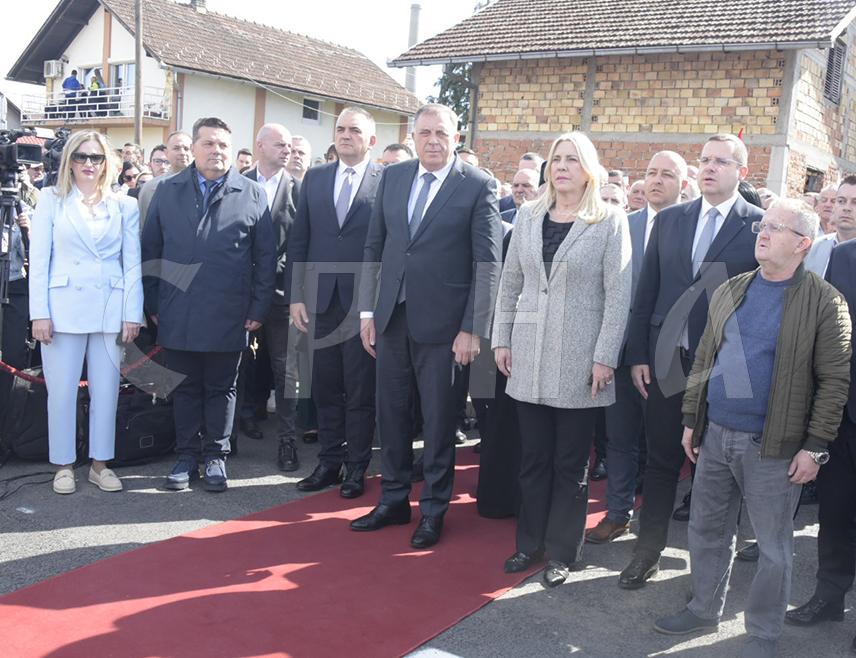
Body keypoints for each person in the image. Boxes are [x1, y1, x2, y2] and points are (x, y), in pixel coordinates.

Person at [655, 198, 850, 658]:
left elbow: (834, 382)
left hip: (775, 445)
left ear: (803, 243)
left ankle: (761, 634)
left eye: (777, 228)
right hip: (717, 433)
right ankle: (704, 607)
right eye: (764, 225)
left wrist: (816, 447)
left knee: (774, 548)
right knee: (706, 530)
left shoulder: (825, 302)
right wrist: (691, 419)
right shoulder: (733, 289)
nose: (763, 232)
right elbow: (705, 357)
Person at [352, 103, 502, 548]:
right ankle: (393, 500)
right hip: (392, 319)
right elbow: (375, 246)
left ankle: (433, 510)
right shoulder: (393, 178)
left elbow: (488, 261)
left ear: (456, 136)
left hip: (447, 328)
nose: (433, 140)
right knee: (392, 416)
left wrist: (472, 327)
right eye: (425, 132)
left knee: (438, 424)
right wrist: (367, 312)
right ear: (413, 136)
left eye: (441, 132)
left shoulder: (477, 185)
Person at [619, 133, 762, 589]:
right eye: (704, 160)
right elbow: (647, 294)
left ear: (741, 171)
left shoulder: (758, 226)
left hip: (726, 368)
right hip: (666, 362)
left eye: (721, 161)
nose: (709, 168)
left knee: (719, 469)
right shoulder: (671, 220)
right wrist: (639, 353)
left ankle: (710, 568)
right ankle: (648, 551)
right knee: (660, 460)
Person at [492, 131, 630, 586]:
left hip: (580, 359)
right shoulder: (528, 217)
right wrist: (502, 339)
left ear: (588, 168)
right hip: (527, 353)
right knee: (532, 459)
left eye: (572, 159)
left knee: (570, 465)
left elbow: (617, 296)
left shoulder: (609, 220)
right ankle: (527, 544)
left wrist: (605, 356)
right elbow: (510, 284)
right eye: (556, 159)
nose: (562, 166)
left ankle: (562, 553)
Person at [141, 117, 276, 492]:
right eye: (208, 144)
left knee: (222, 388)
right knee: (184, 387)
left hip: (229, 312)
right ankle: (186, 456)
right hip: (176, 309)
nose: (216, 151)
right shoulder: (168, 191)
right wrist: (153, 300)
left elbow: (265, 258)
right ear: (194, 147)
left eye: (223, 145)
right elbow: (150, 250)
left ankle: (216, 457)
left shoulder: (250, 193)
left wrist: (258, 308)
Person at [29, 130, 143, 494]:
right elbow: (41, 261)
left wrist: (132, 313)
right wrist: (39, 313)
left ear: (108, 163)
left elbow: (132, 264)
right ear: (69, 162)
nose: (88, 164)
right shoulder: (51, 199)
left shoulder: (125, 205)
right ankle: (63, 465)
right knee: (61, 393)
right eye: (81, 157)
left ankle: (100, 464)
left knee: (106, 391)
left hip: (109, 308)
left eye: (96, 157)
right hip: (62, 308)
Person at [586, 151, 689, 544]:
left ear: (683, 183)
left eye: (667, 174)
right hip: (619, 347)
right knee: (620, 437)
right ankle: (617, 513)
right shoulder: (621, 225)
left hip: (668, 355)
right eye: (650, 173)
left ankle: (664, 525)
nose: (656, 181)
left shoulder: (689, 227)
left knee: (667, 444)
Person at [287, 107, 383, 498]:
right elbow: (299, 239)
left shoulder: (388, 180)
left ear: (371, 140)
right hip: (320, 301)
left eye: (354, 130)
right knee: (324, 386)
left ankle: (356, 467)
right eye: (340, 129)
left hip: (365, 304)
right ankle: (328, 461)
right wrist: (295, 295)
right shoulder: (315, 177)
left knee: (359, 390)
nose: (346, 135)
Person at [786, 177, 856, 654]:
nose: (845, 210)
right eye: (844, 201)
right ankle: (829, 596)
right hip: (846, 413)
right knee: (837, 512)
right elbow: (827, 336)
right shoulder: (843, 259)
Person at [243, 123, 302, 472]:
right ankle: (230, 435)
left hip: (283, 295)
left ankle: (287, 441)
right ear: (260, 145)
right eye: (280, 144)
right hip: (242, 293)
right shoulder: (238, 183)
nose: (287, 151)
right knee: (240, 365)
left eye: (290, 146)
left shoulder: (300, 190)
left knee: (287, 370)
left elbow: (301, 243)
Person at [138, 130, 192, 227]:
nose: (182, 152)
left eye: (186, 148)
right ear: (167, 153)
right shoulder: (150, 188)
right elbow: (144, 227)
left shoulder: (205, 183)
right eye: (176, 148)